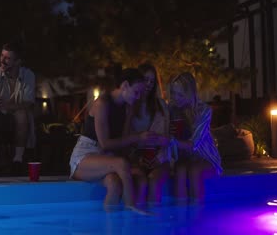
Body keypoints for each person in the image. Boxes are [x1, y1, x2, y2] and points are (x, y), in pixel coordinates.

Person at [69, 68, 166, 210]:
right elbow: (105, 144)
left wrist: (140, 150)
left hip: (106, 159)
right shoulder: (102, 104)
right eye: (136, 92)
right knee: (120, 163)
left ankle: (111, 227)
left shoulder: (128, 108)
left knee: (116, 183)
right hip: (85, 157)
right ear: (125, 85)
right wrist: (137, 137)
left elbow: (123, 142)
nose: (138, 97)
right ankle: (132, 210)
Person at [0, 42, 35, 171]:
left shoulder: (28, 75)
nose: (2, 60)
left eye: (7, 58)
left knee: (22, 114)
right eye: (2, 56)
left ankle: (18, 160)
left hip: (17, 115)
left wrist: (5, 105)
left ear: (17, 62)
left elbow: (27, 103)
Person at [169, 72, 223, 203]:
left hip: (205, 156)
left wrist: (171, 142)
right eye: (174, 93)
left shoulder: (204, 110)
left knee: (194, 170)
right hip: (185, 156)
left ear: (190, 93)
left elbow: (194, 143)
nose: (176, 98)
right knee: (180, 169)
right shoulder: (172, 109)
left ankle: (196, 211)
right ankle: (180, 213)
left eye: (180, 94)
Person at [127, 63, 171, 205]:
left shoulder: (160, 105)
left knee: (153, 179)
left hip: (158, 156)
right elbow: (125, 138)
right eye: (146, 79)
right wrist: (136, 157)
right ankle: (138, 219)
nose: (149, 84)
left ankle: (153, 220)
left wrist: (160, 157)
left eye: (152, 81)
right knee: (140, 181)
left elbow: (167, 136)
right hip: (136, 157)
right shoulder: (130, 104)